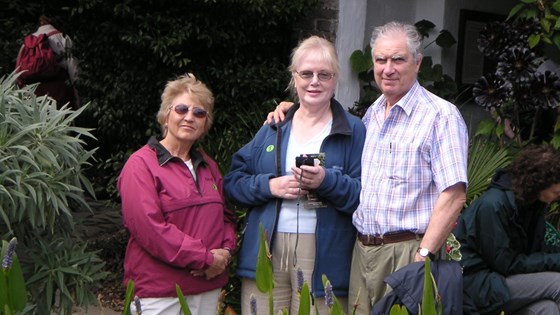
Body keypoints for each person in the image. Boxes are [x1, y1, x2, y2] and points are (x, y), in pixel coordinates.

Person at [269, 21, 468, 314]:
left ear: (417, 62)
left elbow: (453, 195)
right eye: (380, 60)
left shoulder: (440, 116)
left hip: (407, 251)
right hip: (361, 253)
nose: (388, 68)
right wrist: (294, 108)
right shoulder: (370, 116)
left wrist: (424, 254)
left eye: (398, 59)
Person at [224, 36, 366, 315]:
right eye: (306, 74)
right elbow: (232, 183)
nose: (315, 81)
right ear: (294, 77)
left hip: (325, 252)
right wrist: (269, 186)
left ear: (335, 79)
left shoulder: (354, 130)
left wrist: (327, 181)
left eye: (324, 74)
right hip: (267, 248)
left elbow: (366, 197)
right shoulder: (274, 127)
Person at [117, 73, 237, 315]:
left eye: (199, 113)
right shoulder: (140, 164)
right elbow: (150, 229)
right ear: (166, 115)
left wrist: (225, 252)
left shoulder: (208, 165)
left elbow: (226, 217)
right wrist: (204, 259)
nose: (189, 117)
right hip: (160, 294)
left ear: (206, 122)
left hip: (209, 287)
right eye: (181, 109)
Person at [454, 145, 560, 315]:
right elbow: (507, 264)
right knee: (558, 284)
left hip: (503, 279)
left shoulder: (531, 204)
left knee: (547, 309)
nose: (558, 195)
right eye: (556, 191)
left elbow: (535, 250)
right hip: (479, 286)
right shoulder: (493, 205)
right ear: (540, 184)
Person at [16, 15, 80, 109]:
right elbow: (74, 71)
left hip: (32, 94)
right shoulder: (62, 38)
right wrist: (77, 95)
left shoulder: (27, 44)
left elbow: (17, 73)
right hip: (58, 92)